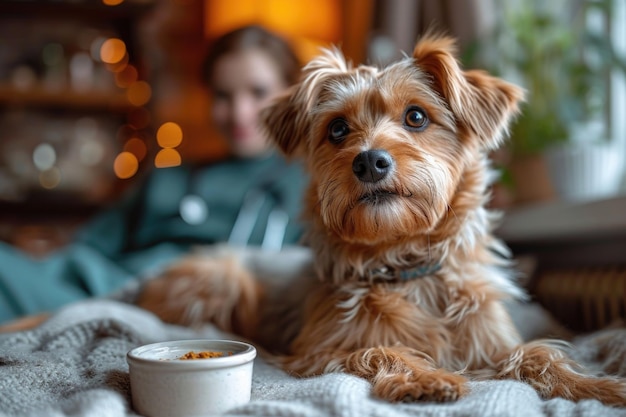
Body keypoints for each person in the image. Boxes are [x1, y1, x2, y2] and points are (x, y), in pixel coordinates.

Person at [0, 25, 308, 325]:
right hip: (93, 290)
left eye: (258, 92)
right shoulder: (167, 177)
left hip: (162, 307)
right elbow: (86, 248)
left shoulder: (308, 187)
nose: (240, 112)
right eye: (223, 96)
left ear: (290, 94)